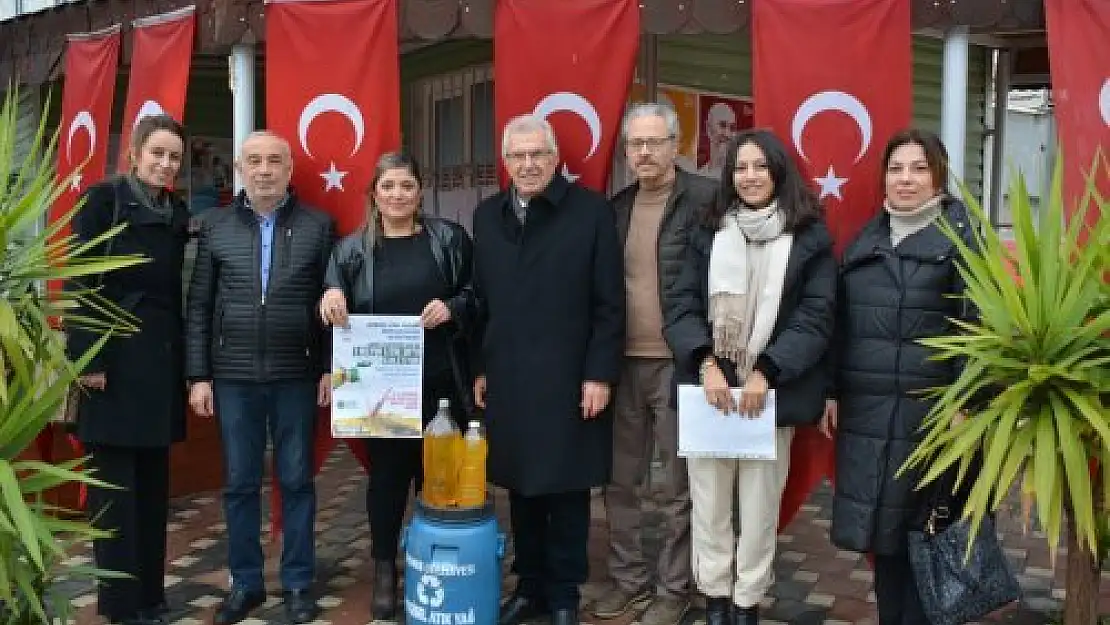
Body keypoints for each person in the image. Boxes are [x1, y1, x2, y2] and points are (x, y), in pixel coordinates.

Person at [664, 129, 836, 625]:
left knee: (760, 509)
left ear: (778, 171)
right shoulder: (708, 229)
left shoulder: (808, 235)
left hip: (768, 395)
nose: (750, 176)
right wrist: (706, 363)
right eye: (741, 167)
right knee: (710, 505)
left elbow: (816, 316)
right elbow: (681, 306)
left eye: (760, 166)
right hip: (711, 393)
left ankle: (746, 604)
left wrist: (766, 372)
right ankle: (715, 599)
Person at [471, 115, 625, 625]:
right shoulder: (488, 216)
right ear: (506, 162)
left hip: (570, 377)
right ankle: (529, 587)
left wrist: (599, 375)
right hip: (509, 374)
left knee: (567, 491)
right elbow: (482, 300)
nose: (529, 164)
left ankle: (563, 595)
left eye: (538, 154)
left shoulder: (590, 213)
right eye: (518, 155)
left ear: (557, 158)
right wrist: (481, 367)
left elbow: (608, 303)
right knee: (520, 487)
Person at [823, 129, 977, 625]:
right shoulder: (864, 242)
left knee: (927, 536)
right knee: (884, 541)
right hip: (869, 417)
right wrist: (830, 391)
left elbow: (977, 328)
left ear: (937, 176)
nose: (905, 179)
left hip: (932, 419)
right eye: (896, 169)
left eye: (918, 168)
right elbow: (840, 326)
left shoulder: (962, 240)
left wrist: (965, 402)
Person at [185, 130, 335, 625]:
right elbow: (200, 305)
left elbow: (333, 304)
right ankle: (245, 583)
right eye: (255, 161)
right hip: (233, 377)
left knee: (296, 481)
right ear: (240, 170)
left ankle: (296, 584)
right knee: (240, 483)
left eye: (275, 161)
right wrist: (199, 375)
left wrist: (331, 369)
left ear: (291, 170)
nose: (265, 170)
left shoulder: (318, 226)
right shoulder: (215, 226)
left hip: (297, 374)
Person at [318, 152, 476, 621]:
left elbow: (476, 294)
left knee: (437, 477)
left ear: (420, 190)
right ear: (374, 194)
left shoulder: (448, 239)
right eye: (388, 186)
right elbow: (329, 308)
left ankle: (435, 561)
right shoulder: (349, 250)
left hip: (440, 382)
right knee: (386, 482)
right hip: (380, 392)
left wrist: (453, 307)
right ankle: (386, 570)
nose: (397, 195)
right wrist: (329, 298)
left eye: (406, 185)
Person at [590, 102, 715, 625]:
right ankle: (629, 581)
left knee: (678, 485)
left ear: (675, 143)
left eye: (653, 142)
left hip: (680, 364)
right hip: (623, 365)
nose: (643, 152)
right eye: (635, 145)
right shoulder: (615, 208)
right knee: (620, 481)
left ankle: (673, 587)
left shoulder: (707, 199)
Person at [66, 114, 191, 625]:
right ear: (135, 154)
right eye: (157, 153)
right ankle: (120, 606)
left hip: (159, 368)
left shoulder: (175, 211)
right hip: (112, 366)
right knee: (114, 497)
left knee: (152, 491)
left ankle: (151, 597)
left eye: (175, 157)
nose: (165, 164)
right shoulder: (103, 200)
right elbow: (80, 280)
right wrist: (89, 359)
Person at [697, 103, 738, 178]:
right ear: (708, 128)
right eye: (722, 125)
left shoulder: (740, 178)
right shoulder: (697, 178)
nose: (728, 134)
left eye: (732, 128)